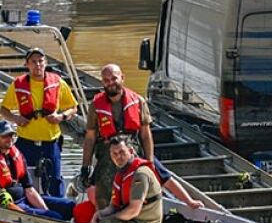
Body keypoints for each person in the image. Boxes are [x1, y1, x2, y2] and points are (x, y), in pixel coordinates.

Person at [80, 64, 204, 211]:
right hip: (108, 150)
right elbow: (90, 137)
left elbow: (145, 134)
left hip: (132, 146)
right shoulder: (95, 105)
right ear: (102, 82)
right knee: (95, 183)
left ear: (122, 78)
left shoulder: (138, 100)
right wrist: (85, 165)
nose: (111, 83)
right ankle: (103, 214)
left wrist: (149, 160)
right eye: (106, 80)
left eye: (114, 78)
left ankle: (189, 202)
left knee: (162, 173)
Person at [0, 47, 79, 197]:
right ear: (27, 65)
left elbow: (73, 108)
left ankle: (58, 211)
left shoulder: (58, 83)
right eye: (33, 62)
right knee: (23, 178)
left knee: (54, 179)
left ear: (46, 62)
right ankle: (27, 208)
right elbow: (4, 110)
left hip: (51, 142)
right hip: (26, 142)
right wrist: (16, 118)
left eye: (41, 61)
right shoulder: (17, 85)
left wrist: (61, 117)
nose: (38, 65)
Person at [0, 120, 74, 220]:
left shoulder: (17, 154)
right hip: (9, 204)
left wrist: (45, 210)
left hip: (25, 198)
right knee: (55, 217)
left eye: (11, 135)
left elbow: (29, 189)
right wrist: (1, 194)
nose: (9, 139)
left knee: (69, 206)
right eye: (4, 136)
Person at [92, 135, 162, 223]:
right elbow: (113, 207)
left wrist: (110, 218)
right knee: (98, 220)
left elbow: (133, 211)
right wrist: (100, 214)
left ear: (131, 151)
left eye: (122, 152)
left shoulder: (140, 174)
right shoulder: (121, 174)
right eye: (114, 154)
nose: (118, 157)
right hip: (132, 220)